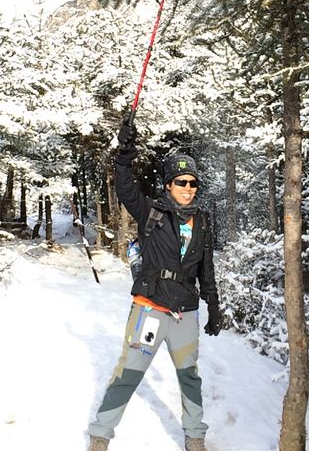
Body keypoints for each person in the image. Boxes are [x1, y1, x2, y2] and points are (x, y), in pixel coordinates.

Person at [87, 121, 223, 451]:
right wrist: (124, 153)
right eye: (181, 182)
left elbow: (206, 267)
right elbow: (125, 189)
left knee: (189, 377)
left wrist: (214, 305)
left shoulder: (203, 220)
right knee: (129, 373)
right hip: (149, 309)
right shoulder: (153, 212)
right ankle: (101, 434)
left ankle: (194, 436)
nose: (188, 187)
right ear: (168, 185)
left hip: (185, 314)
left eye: (192, 182)